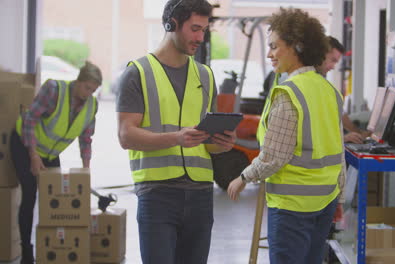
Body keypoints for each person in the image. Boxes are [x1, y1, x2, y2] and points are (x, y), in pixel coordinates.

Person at [115, 0, 235, 263]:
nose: (200, 38)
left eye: (204, 30)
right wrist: (176, 138)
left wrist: (222, 143)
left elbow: (208, 144)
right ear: (172, 24)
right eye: (194, 29)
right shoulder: (138, 73)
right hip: (157, 194)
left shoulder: (205, 76)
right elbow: (126, 135)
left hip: (201, 194)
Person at [227, 8, 345, 264]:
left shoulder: (289, 93)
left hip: (293, 204)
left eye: (274, 46)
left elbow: (273, 157)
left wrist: (243, 177)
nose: (269, 54)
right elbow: (339, 150)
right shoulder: (329, 90)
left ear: (298, 46)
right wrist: (339, 195)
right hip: (325, 199)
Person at [10, 61, 102, 264]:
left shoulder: (91, 106)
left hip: (50, 153)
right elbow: (29, 120)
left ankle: (53, 244)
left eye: (93, 90)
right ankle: (27, 251)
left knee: (57, 198)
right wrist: (33, 156)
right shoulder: (54, 91)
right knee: (30, 192)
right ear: (78, 81)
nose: (89, 93)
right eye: (87, 87)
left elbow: (86, 139)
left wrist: (86, 170)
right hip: (25, 144)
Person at [265, 36, 370, 144]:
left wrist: (358, 133)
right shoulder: (299, 80)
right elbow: (302, 132)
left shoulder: (315, 77)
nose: (333, 66)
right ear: (320, 54)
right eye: (333, 60)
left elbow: (336, 109)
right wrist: (342, 138)